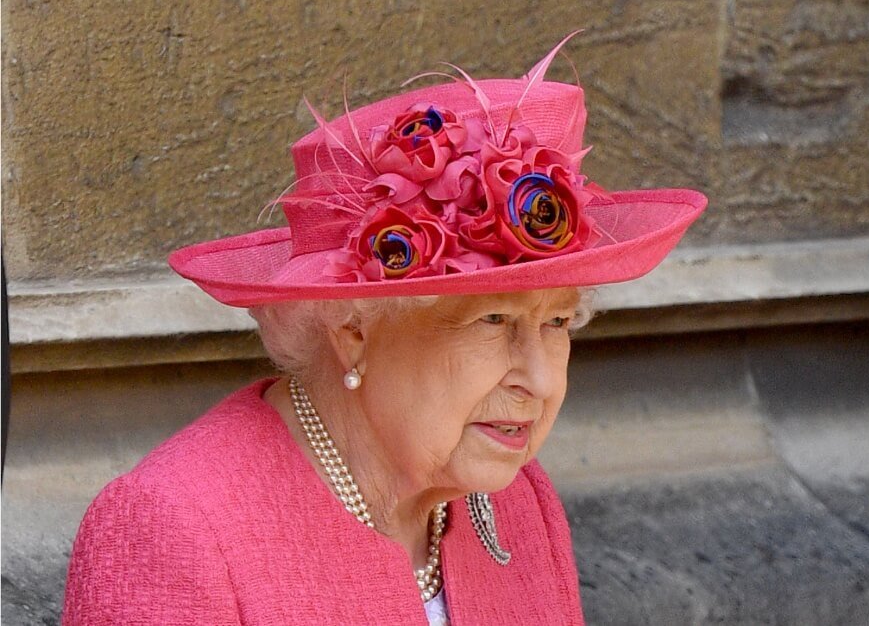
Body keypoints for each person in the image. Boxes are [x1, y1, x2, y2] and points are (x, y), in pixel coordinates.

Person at [62, 41, 707, 624]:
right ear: (353, 331)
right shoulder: (174, 532)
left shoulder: (516, 501)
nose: (539, 381)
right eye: (493, 320)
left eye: (558, 321)